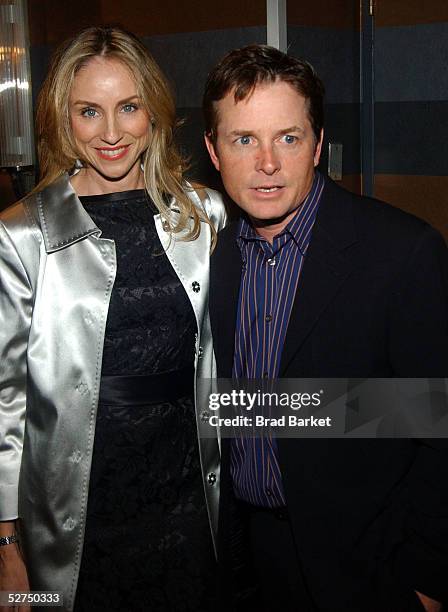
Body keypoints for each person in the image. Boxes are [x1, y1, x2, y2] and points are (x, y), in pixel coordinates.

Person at [203, 44, 448, 612]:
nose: (267, 163)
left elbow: (438, 423)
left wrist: (427, 580)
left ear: (316, 146)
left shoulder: (401, 252)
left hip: (370, 570)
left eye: (287, 138)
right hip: (248, 566)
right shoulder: (207, 259)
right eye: (244, 139)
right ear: (213, 151)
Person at [0, 26, 226, 612]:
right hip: (79, 505)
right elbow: (5, 401)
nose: (110, 132)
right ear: (63, 120)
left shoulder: (203, 212)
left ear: (152, 110)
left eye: (127, 107)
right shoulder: (23, 232)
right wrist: (6, 547)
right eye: (88, 112)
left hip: (189, 493)